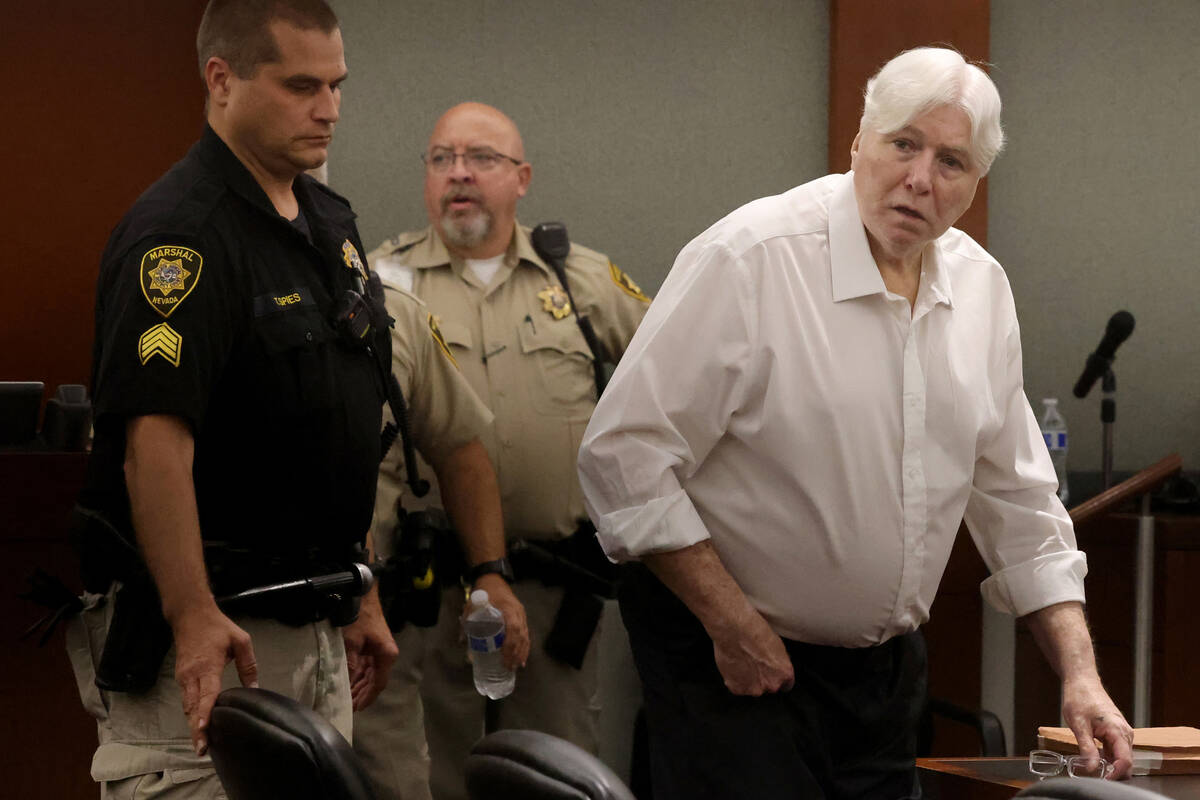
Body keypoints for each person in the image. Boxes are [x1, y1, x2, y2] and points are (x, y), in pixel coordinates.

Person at [577, 47, 1134, 799]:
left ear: (975, 183)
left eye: (952, 162)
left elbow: (1020, 503)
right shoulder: (751, 258)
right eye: (903, 145)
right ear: (858, 141)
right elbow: (623, 456)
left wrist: (1080, 673)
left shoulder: (980, 289)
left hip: (885, 677)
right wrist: (731, 624)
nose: (919, 179)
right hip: (732, 661)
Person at [67, 3, 512, 797]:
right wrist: (192, 613)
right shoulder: (181, 236)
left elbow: (331, 431)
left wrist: (358, 585)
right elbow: (153, 446)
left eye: (337, 85)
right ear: (222, 80)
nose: (330, 109)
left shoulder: (325, 222)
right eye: (302, 86)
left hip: (317, 628)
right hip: (213, 642)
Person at [353, 102, 652, 800]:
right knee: (426, 778)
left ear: (521, 178)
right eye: (442, 159)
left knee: (557, 776)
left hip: (552, 602)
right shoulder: (379, 286)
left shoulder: (579, 283)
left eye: (481, 159)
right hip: (423, 599)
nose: (459, 174)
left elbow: (678, 395)